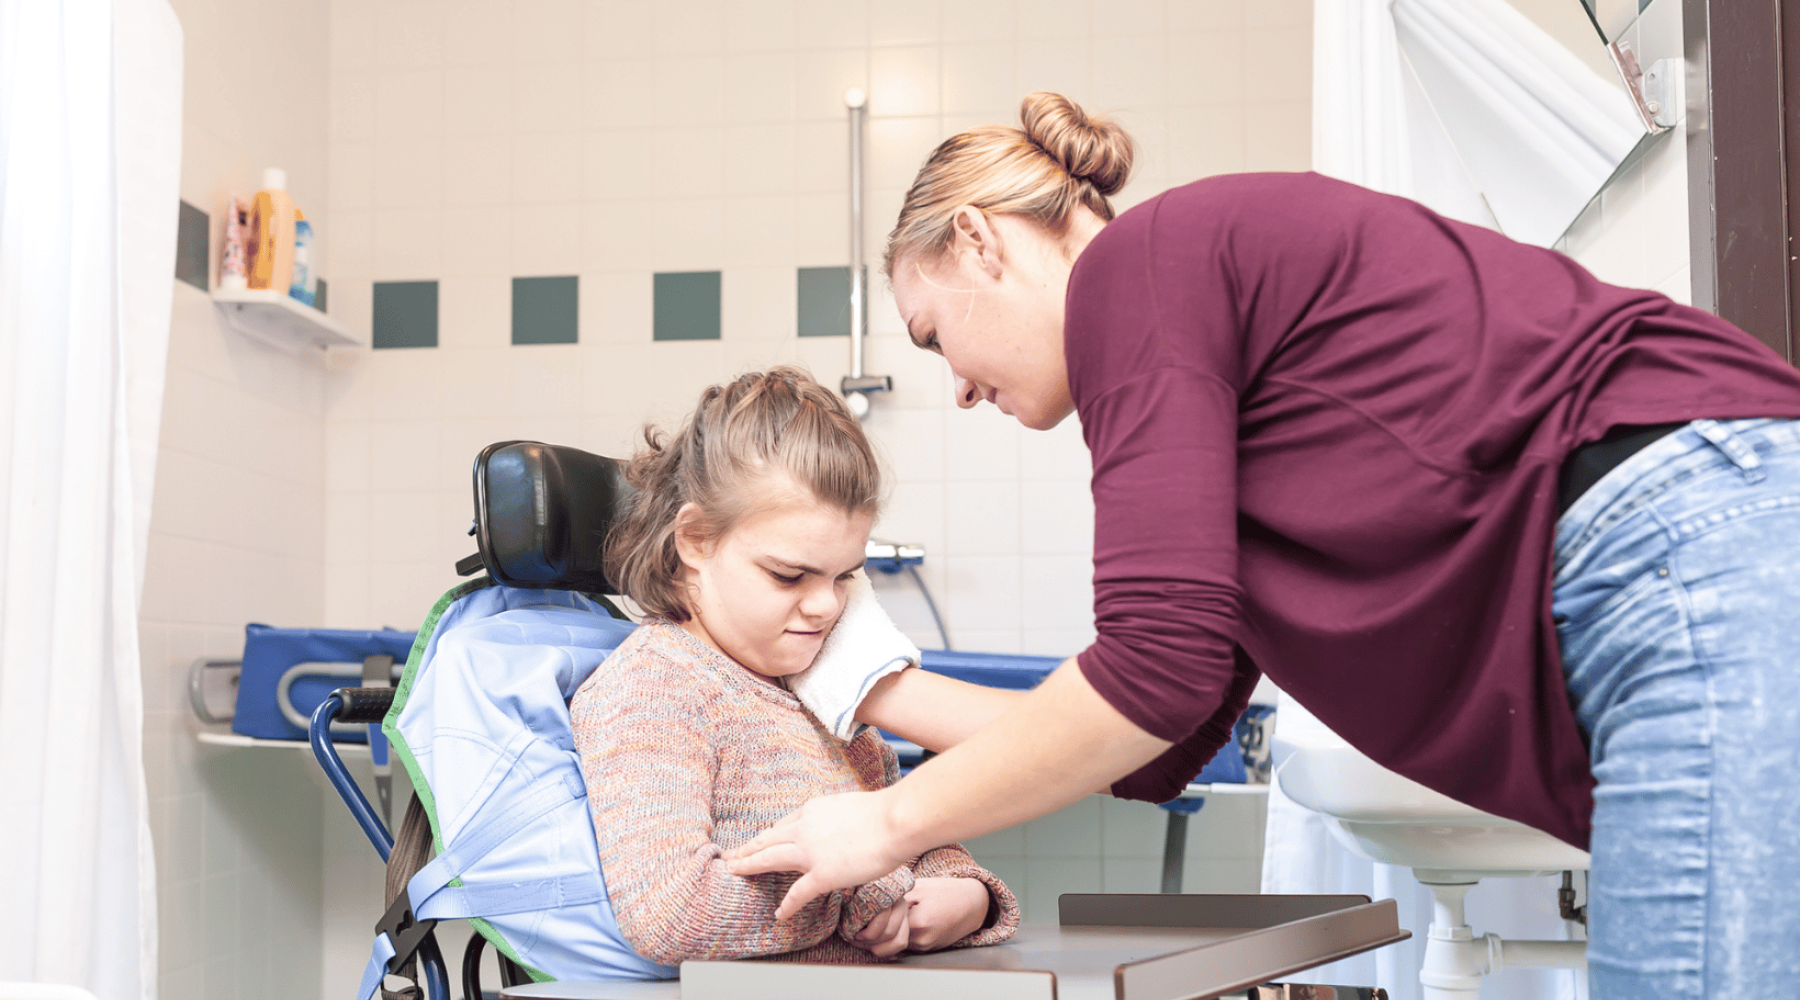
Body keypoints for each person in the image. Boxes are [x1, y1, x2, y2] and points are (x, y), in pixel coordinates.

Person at [724, 93, 1800, 998]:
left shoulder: (1139, 268)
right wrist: (868, 681)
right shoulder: (1198, 354)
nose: (953, 385)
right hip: (1710, 559)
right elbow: (1157, 731)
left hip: (1691, 542)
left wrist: (885, 822)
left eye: (932, 336)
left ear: (978, 241)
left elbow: (1152, 669)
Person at [569, 367, 1019, 970]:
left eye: (844, 576)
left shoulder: (822, 685)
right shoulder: (653, 687)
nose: (826, 606)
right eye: (789, 575)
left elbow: (920, 842)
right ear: (696, 539)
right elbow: (671, 914)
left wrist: (967, 897)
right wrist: (865, 894)